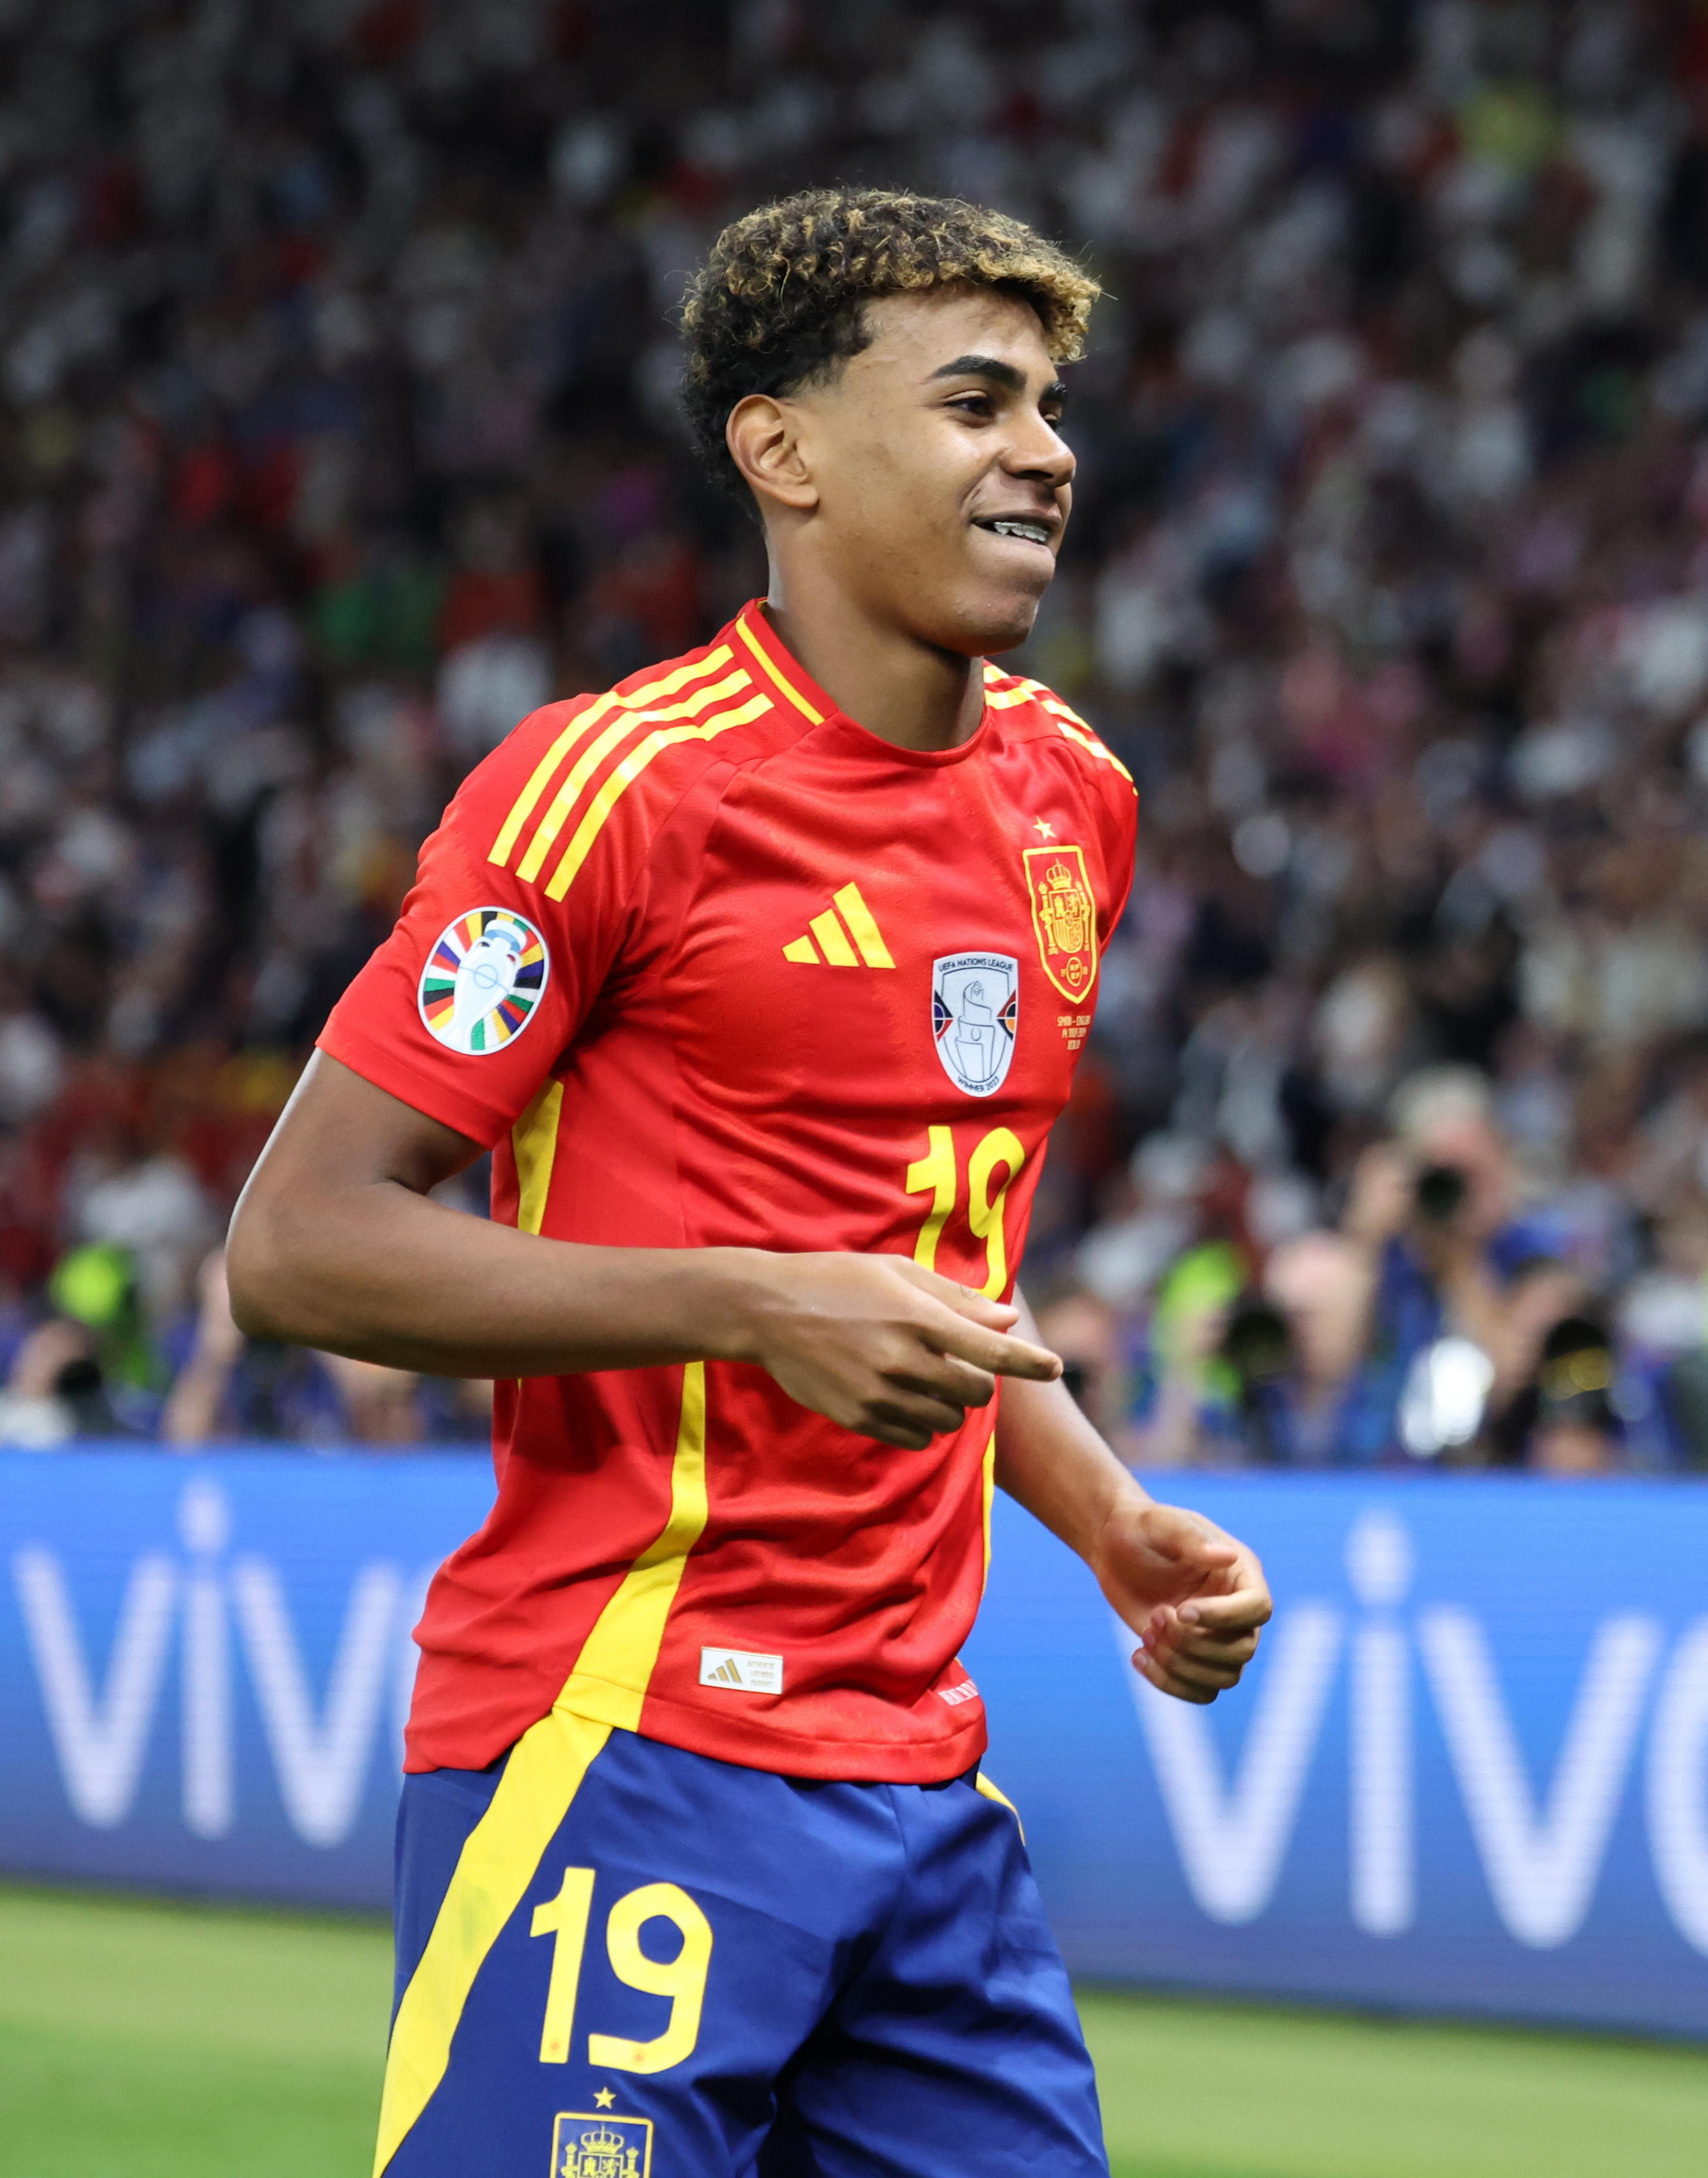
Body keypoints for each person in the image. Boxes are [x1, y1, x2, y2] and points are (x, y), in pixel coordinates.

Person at [224, 190, 1273, 2178]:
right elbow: (296, 1248)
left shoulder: (1075, 797)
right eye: (974, 401)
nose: (1044, 450)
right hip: (627, 1745)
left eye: (1050, 403)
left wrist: (1112, 1519)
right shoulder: (616, 786)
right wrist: (750, 1298)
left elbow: (935, 1274)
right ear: (779, 449)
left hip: (923, 1795)